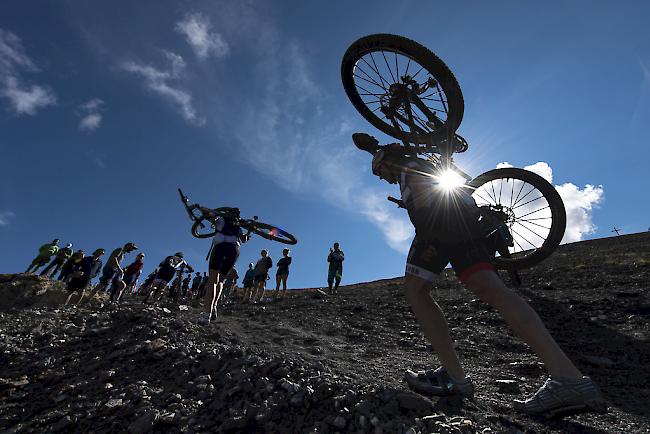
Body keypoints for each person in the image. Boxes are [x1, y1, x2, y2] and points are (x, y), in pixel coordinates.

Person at [354, 132, 607, 416]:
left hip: (439, 226)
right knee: (492, 289)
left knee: (415, 290)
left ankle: (455, 377)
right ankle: (568, 377)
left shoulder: (407, 167)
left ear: (386, 161)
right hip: (466, 223)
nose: (380, 177)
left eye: (378, 170)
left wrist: (376, 149)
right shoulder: (421, 167)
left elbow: (410, 167)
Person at [199, 209, 250, 323]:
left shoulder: (221, 219)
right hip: (234, 250)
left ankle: (207, 313)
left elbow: (211, 218)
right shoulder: (239, 226)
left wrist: (208, 214)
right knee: (221, 280)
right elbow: (243, 240)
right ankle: (215, 306)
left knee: (213, 280)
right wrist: (247, 236)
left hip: (220, 248)